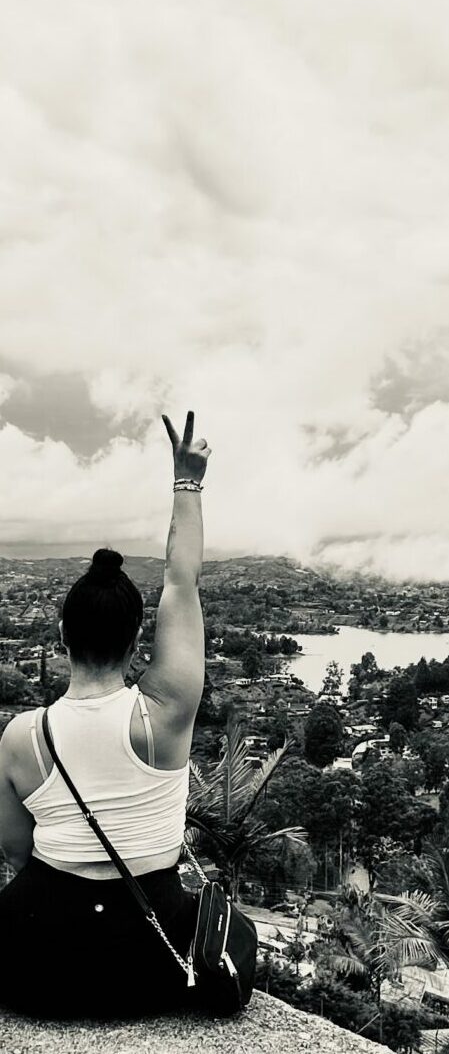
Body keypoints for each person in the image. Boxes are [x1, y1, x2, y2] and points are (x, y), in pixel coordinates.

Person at [0, 411, 211, 1019]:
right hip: (150, 961)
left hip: (42, 965)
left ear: (61, 633)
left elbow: (18, 854)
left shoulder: (21, 738)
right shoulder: (163, 716)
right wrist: (187, 482)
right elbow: (182, 580)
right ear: (137, 638)